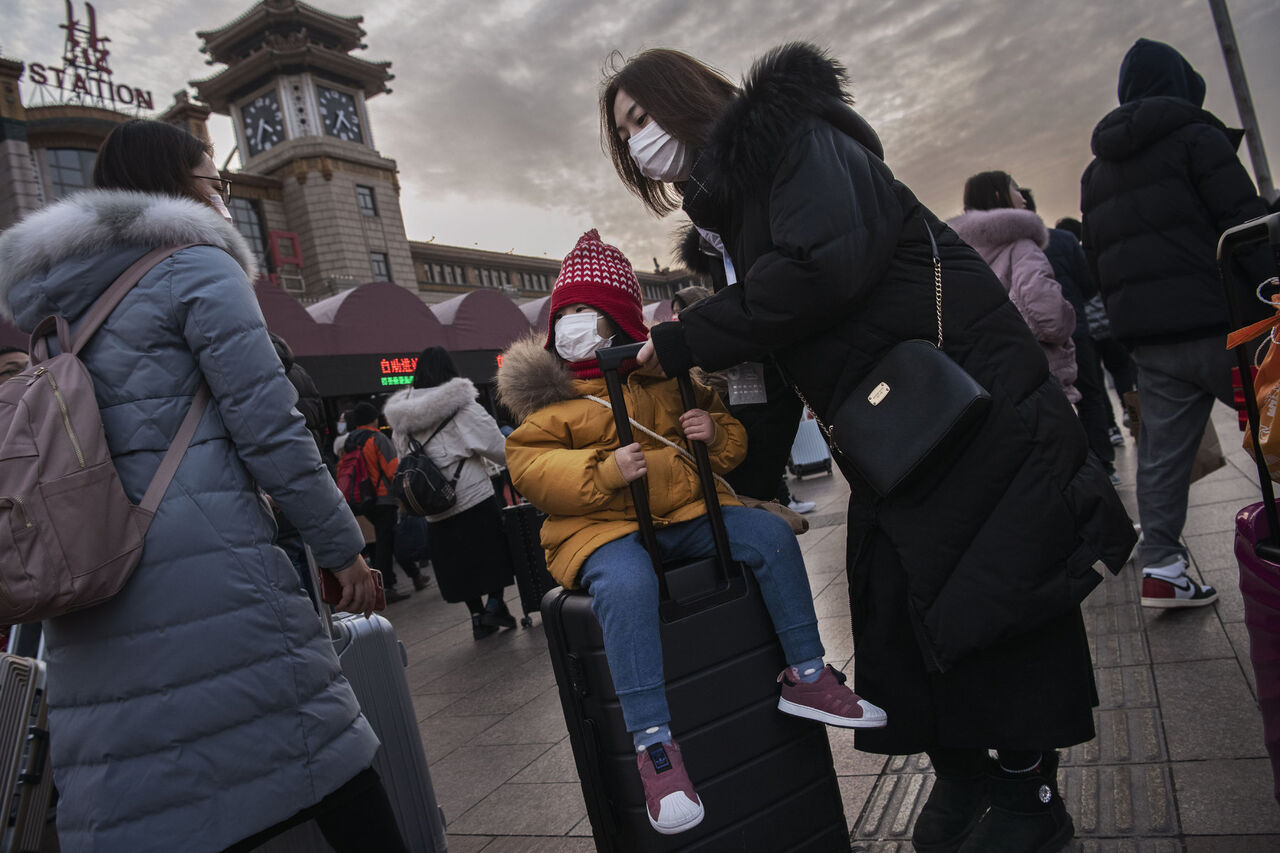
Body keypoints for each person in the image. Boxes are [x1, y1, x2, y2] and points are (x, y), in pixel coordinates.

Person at [604, 44, 1135, 851]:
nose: (639, 140)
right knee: (897, 599)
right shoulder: (728, 224)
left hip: (961, 388)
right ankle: (963, 770)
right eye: (624, 133)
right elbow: (775, 361)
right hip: (898, 425)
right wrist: (735, 484)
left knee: (1000, 587)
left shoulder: (797, 140)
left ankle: (1030, 794)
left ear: (684, 96)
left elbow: (822, 269)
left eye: (642, 116)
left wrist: (686, 337)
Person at [0, 119, 404, 852]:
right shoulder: (195, 267)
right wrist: (341, 549)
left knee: (160, 808)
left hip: (92, 583)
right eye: (214, 183)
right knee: (332, 770)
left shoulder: (53, 310)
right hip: (214, 572)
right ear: (175, 187)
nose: (221, 198)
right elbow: (271, 428)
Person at [497, 229, 886, 836]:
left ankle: (807, 674)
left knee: (768, 537)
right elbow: (532, 468)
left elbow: (730, 444)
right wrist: (603, 470)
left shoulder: (670, 379)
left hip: (683, 514)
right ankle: (653, 742)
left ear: (621, 321)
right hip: (601, 529)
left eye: (589, 312)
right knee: (627, 587)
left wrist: (714, 432)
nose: (574, 324)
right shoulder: (549, 402)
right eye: (566, 312)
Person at [1081, 38, 1272, 608]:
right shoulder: (1197, 138)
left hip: (1151, 341)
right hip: (1227, 325)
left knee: (1162, 454)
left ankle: (1163, 568)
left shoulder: (1096, 173)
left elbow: (1097, 260)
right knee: (1276, 422)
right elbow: (1244, 227)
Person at [382, 346, 517, 639]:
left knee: (457, 563)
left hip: (433, 505)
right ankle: (495, 604)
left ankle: (477, 616)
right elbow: (496, 446)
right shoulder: (461, 406)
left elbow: (403, 455)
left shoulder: (402, 418)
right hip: (472, 495)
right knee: (491, 552)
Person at [673, 283, 816, 513]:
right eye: (674, 312)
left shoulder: (718, 351)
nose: (676, 317)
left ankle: (783, 502)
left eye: (681, 310)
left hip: (736, 423)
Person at [948, 172, 1080, 403]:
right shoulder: (1020, 245)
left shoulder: (955, 252)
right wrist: (1068, 317)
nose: (1023, 198)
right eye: (1016, 189)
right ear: (999, 195)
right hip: (1037, 370)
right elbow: (1049, 315)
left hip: (989, 375)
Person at [1022, 191, 1119, 485]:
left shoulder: (995, 252)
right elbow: (1089, 284)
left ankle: (1066, 475)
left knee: (1047, 408)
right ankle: (1104, 464)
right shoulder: (1063, 240)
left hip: (1029, 343)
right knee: (1091, 396)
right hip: (1074, 332)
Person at [1057, 216, 1134, 446]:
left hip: (1084, 331)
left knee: (1096, 383)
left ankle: (1111, 428)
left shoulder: (1060, 258)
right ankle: (1130, 410)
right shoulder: (1089, 258)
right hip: (1109, 326)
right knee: (1121, 370)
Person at [344, 401, 419, 603]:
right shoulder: (376, 438)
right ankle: (386, 586)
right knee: (387, 542)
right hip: (383, 497)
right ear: (373, 419)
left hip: (363, 500)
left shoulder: (350, 441)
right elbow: (392, 469)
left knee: (385, 540)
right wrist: (402, 493)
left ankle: (413, 575)